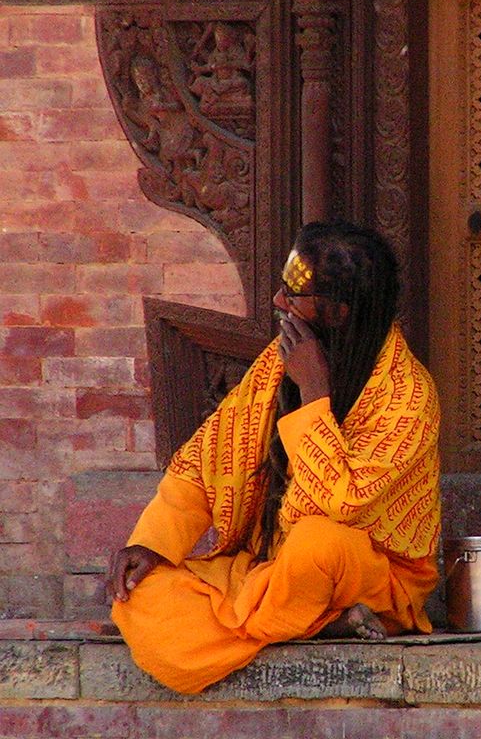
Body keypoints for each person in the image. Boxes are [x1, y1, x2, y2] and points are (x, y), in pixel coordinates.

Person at [106, 220, 441, 694]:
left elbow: (341, 504)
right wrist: (152, 545)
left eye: (294, 294)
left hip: (367, 576)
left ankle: (252, 622)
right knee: (142, 593)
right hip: (269, 571)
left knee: (315, 543)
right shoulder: (276, 361)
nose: (279, 303)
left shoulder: (409, 396)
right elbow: (206, 459)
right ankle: (310, 623)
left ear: (339, 312)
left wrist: (313, 389)